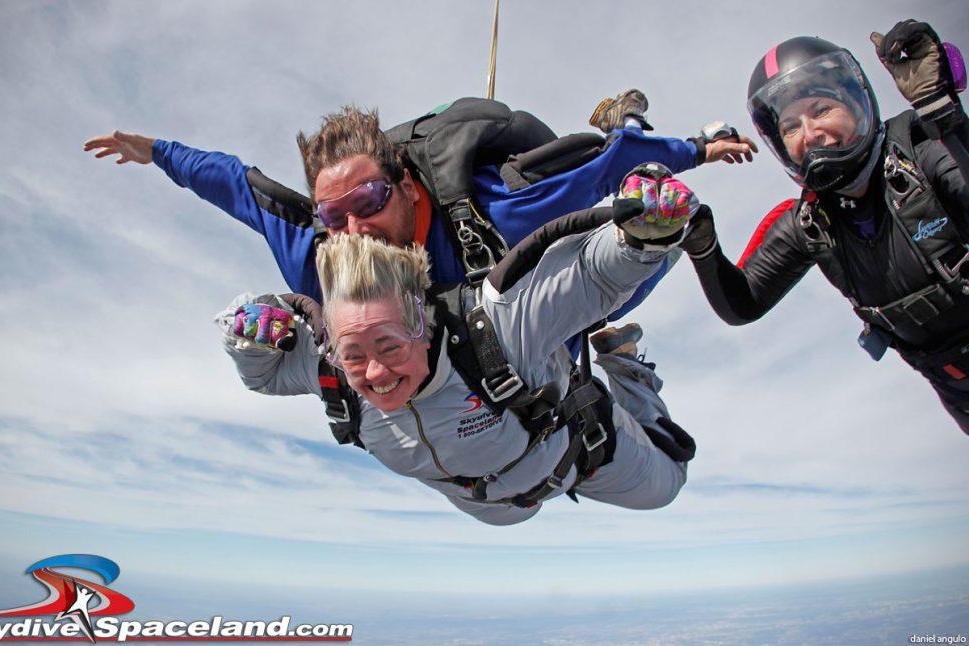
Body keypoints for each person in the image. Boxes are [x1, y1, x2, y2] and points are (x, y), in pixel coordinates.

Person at [215, 171, 700, 524]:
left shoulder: (497, 327)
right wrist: (248, 333)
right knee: (505, 516)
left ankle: (625, 363)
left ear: (423, 324)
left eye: (388, 345)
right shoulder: (330, 366)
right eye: (355, 354)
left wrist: (637, 236)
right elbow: (263, 373)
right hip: (488, 504)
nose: (376, 374)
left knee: (668, 486)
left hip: (581, 455)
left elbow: (589, 277)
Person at [84, 94, 756, 323]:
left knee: (602, 290)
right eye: (333, 214)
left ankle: (625, 107)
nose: (352, 229)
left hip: (534, 196)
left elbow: (608, 166)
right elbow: (232, 183)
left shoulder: (499, 212)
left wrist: (696, 149)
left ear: (407, 187)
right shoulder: (315, 252)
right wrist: (158, 153)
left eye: (368, 201)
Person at [679, 20, 969, 433]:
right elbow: (742, 305)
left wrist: (944, 115)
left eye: (821, 110)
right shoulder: (809, 222)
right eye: (790, 126)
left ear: (857, 104)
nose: (809, 135)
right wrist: (701, 242)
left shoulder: (921, 150)